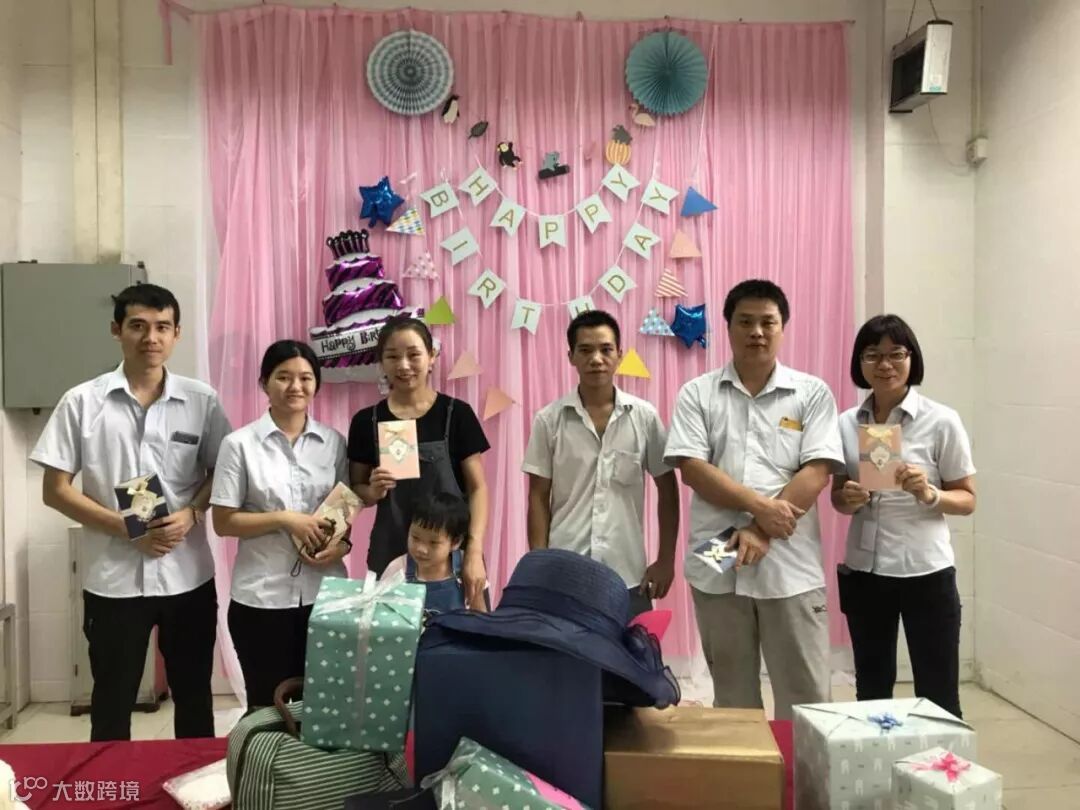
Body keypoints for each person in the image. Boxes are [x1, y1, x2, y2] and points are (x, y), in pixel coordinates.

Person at [30, 283, 231, 741]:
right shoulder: (82, 401)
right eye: (138, 326)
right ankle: (111, 781)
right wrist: (126, 528)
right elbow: (55, 491)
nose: (150, 338)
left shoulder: (201, 400)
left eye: (162, 327)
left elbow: (222, 472)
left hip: (187, 576)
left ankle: (195, 782)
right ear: (116, 330)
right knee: (111, 702)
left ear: (177, 333)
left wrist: (192, 513)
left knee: (194, 698)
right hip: (114, 581)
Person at [664, 279, 844, 720]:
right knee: (732, 697)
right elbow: (691, 467)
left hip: (791, 562)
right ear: (728, 327)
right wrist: (762, 509)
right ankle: (743, 767)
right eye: (745, 322)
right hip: (715, 556)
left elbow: (818, 470)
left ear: (783, 327)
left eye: (768, 322)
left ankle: (801, 769)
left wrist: (761, 529)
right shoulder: (698, 393)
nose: (757, 332)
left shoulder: (811, 392)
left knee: (806, 696)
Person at [832, 314, 976, 718]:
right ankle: (876, 758)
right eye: (872, 355)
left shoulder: (941, 420)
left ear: (912, 359)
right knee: (871, 687)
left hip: (925, 570)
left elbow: (967, 499)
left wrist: (929, 493)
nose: (885, 365)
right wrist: (849, 497)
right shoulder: (846, 423)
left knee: (938, 689)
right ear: (859, 362)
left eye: (896, 354)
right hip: (865, 571)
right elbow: (837, 497)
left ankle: (939, 760)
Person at [210, 340, 352, 710]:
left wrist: (342, 545)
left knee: (324, 707)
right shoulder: (239, 445)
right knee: (268, 708)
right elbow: (223, 521)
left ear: (316, 384)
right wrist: (285, 518)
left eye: (305, 378)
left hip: (326, 595)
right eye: (283, 377)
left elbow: (342, 515)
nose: (295, 386)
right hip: (262, 598)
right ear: (264, 383)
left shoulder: (334, 443)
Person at [523, 310, 678, 618]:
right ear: (571, 356)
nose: (596, 359)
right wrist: (539, 564)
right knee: (564, 650)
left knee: (630, 650)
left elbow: (668, 490)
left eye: (606, 349)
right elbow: (538, 496)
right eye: (585, 350)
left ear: (620, 354)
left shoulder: (644, 417)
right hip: (564, 572)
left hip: (628, 574)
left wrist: (666, 560)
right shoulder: (549, 420)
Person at [348, 317, 490, 605]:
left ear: (431, 356)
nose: (403, 365)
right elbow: (356, 490)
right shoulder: (366, 421)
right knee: (391, 632)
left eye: (413, 355)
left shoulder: (456, 414)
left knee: (467, 630)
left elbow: (478, 488)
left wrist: (474, 552)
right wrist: (372, 491)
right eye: (392, 356)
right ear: (381, 362)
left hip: (451, 555)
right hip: (391, 551)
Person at [382, 490, 487, 614]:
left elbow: (480, 615)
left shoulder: (467, 568)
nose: (421, 549)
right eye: (415, 538)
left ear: (455, 542)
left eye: (433, 543)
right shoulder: (398, 569)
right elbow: (383, 613)